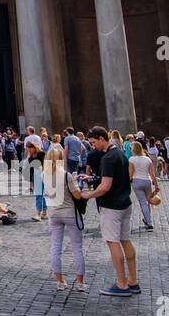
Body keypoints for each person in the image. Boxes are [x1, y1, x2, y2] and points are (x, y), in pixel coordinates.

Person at [82, 126, 139, 297]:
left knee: (112, 242)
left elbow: (105, 187)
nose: (93, 146)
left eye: (93, 143)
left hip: (112, 206)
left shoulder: (107, 158)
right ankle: (133, 281)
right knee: (125, 240)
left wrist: (88, 195)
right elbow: (127, 173)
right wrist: (95, 179)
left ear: (101, 138)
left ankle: (121, 284)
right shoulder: (120, 153)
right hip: (125, 203)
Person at [43, 145, 86, 291]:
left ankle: (59, 281)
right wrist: (78, 184)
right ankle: (80, 282)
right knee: (77, 248)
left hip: (54, 214)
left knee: (55, 248)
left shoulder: (43, 175)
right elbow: (77, 195)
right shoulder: (66, 175)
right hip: (69, 213)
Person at [129, 140, 159, 230]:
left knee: (143, 202)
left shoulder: (132, 159)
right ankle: (147, 220)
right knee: (148, 201)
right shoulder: (147, 159)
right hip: (147, 181)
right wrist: (156, 185)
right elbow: (152, 174)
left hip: (137, 181)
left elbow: (130, 173)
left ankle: (149, 222)